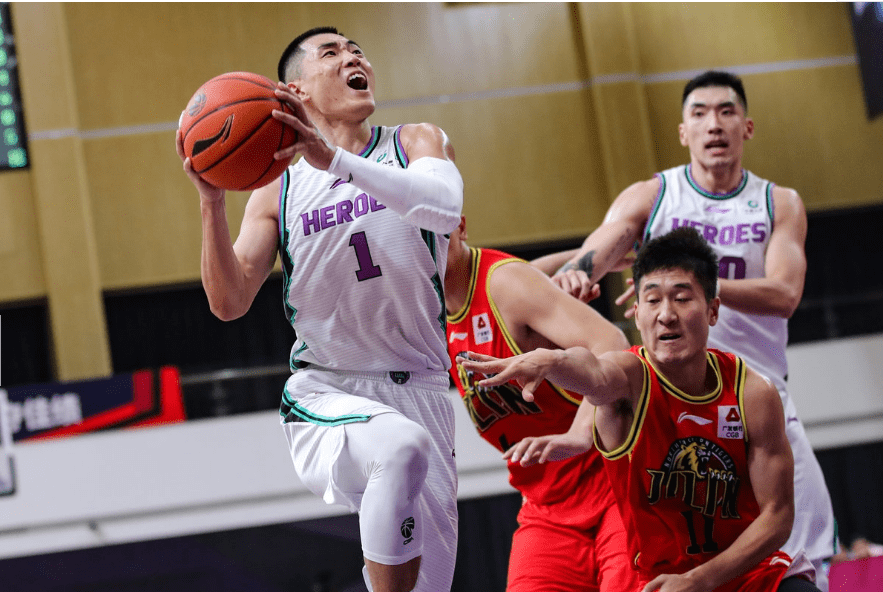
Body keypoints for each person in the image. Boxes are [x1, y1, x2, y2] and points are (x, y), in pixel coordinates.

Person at [176, 26, 463, 592]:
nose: (353, 58)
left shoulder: (415, 142)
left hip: (424, 387)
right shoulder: (277, 189)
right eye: (331, 53)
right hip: (329, 391)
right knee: (399, 447)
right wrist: (211, 202)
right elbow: (229, 303)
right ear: (296, 91)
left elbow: (444, 207)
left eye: (357, 50)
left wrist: (335, 161)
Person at [552, 70, 836, 590]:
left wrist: (695, 288)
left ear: (747, 126)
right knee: (674, 552)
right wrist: (575, 274)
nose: (714, 124)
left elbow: (784, 294)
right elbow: (598, 250)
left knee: (802, 552)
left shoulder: (778, 202)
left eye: (727, 112)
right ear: (683, 132)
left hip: (754, 394)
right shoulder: (653, 195)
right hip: (663, 401)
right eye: (700, 114)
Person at [461, 227, 821, 592]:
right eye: (652, 301)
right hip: (662, 578)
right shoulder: (629, 379)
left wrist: (699, 580)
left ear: (712, 310)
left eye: (682, 299)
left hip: (744, 575)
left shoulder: (753, 393)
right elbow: (594, 372)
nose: (666, 315)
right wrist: (552, 361)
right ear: (636, 314)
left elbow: (778, 517)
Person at [444, 216, 637, 591]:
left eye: (433, 233)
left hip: (613, 482)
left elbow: (611, 343)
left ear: (461, 227)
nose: (423, 247)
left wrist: (580, 434)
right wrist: (577, 258)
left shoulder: (505, 283)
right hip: (546, 503)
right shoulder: (432, 304)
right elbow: (519, 276)